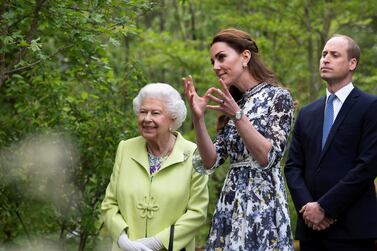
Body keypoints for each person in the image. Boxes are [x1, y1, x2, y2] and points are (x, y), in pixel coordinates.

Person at [183, 28, 294, 250]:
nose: (215, 66)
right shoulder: (234, 103)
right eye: (212, 60)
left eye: (221, 57)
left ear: (245, 56)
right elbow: (210, 162)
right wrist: (198, 118)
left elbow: (268, 157)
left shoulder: (278, 97)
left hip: (263, 203)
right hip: (230, 203)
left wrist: (238, 115)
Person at [284, 34, 377, 251]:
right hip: (310, 230)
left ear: (352, 63)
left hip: (352, 229)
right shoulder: (307, 112)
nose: (325, 59)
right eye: (324, 54)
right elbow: (293, 166)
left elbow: (368, 165)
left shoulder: (370, 106)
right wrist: (308, 208)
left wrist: (325, 207)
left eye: (334, 55)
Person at [101, 83, 209, 251]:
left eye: (155, 113)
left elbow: (197, 213)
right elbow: (109, 204)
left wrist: (157, 243)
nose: (147, 119)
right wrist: (123, 240)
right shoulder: (125, 148)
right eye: (143, 112)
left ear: (173, 118)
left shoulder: (193, 154)